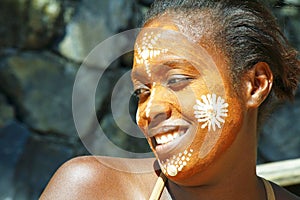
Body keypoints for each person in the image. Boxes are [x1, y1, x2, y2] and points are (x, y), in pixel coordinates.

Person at [40, 0, 300, 199]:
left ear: (254, 85)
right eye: (142, 91)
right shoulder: (92, 189)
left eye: (177, 80)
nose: (149, 110)